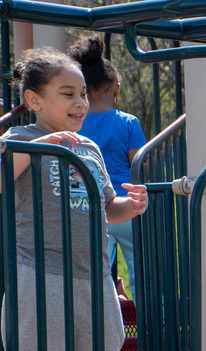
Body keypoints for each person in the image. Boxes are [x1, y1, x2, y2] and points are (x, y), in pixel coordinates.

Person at [1, 48, 148, 351]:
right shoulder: (20, 139)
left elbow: (107, 207)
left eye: (83, 93)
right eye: (68, 94)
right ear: (34, 99)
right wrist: (42, 144)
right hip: (37, 273)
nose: (81, 102)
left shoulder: (89, 146)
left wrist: (131, 205)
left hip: (92, 275)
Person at [68, 34, 147, 298]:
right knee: (142, 273)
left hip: (90, 209)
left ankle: (102, 325)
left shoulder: (75, 124)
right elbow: (139, 165)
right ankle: (148, 325)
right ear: (117, 89)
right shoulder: (128, 122)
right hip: (126, 206)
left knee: (97, 276)